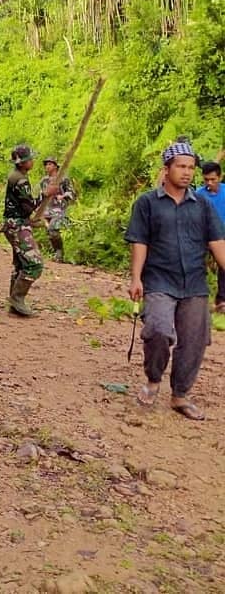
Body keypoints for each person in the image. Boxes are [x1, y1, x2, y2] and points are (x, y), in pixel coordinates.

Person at [126, 141, 225, 421]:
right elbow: (139, 241)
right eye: (181, 166)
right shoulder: (147, 203)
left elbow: (217, 242)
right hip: (159, 279)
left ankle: (180, 395)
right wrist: (136, 278)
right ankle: (153, 380)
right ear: (166, 169)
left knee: (194, 340)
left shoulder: (203, 205)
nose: (186, 172)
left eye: (191, 167)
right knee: (157, 329)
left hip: (194, 282)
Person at [3, 144, 57, 316]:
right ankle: (17, 298)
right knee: (34, 264)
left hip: (14, 223)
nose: (33, 161)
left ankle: (15, 304)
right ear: (23, 162)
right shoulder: (19, 179)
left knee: (20, 264)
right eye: (30, 159)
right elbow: (28, 207)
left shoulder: (18, 175)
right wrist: (45, 194)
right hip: (17, 225)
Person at [195, 161, 225, 314]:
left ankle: (222, 300)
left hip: (222, 236)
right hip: (203, 236)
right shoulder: (199, 194)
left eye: (213, 179)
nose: (209, 183)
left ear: (220, 177)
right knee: (196, 264)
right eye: (206, 180)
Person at [38, 157, 77, 262]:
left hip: (59, 209)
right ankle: (56, 254)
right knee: (50, 233)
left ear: (55, 166)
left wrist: (63, 196)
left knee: (53, 230)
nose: (47, 166)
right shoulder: (44, 181)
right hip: (47, 210)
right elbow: (40, 196)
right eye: (46, 164)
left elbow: (72, 193)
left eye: (50, 164)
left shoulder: (63, 179)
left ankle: (59, 253)